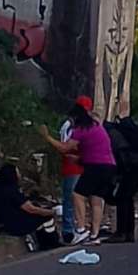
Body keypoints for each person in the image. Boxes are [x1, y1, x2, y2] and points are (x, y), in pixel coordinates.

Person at [40, 103, 116, 244]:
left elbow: (64, 148)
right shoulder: (97, 127)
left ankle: (81, 230)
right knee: (96, 199)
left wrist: (47, 137)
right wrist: (76, 159)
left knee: (77, 195)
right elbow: (95, 151)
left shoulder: (80, 130)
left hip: (95, 167)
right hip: (109, 166)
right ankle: (95, 234)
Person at [103, 104, 138, 243]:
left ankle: (121, 232)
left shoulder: (111, 134)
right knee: (128, 198)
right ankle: (129, 233)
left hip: (130, 165)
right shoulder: (125, 131)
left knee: (122, 198)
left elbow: (115, 155)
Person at [0, 164, 60, 250]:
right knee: (45, 217)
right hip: (14, 224)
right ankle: (50, 242)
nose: (19, 175)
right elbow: (30, 209)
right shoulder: (12, 190)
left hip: (0, 223)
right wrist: (52, 212)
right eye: (17, 172)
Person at [59, 95, 93, 243]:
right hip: (72, 166)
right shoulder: (69, 125)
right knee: (70, 199)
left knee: (79, 199)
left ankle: (80, 227)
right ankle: (68, 230)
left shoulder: (81, 125)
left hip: (81, 165)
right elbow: (65, 146)